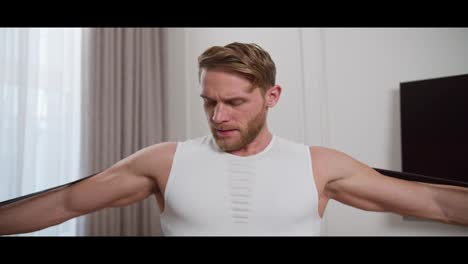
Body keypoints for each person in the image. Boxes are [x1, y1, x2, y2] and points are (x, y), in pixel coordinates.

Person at [1, 42, 467, 236]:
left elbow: (437, 204)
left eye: (235, 103)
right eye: (208, 102)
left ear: (271, 96)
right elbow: (65, 203)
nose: (218, 116)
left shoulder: (320, 165)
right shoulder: (164, 161)